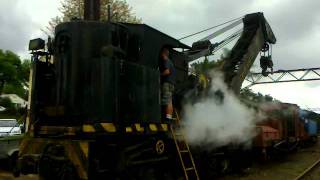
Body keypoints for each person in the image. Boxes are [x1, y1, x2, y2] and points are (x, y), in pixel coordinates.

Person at [159, 47, 176, 122]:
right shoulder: (171, 62)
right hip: (171, 84)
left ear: (163, 53)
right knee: (169, 102)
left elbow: (167, 71)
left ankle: (167, 119)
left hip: (167, 83)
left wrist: (159, 74)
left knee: (166, 101)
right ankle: (168, 118)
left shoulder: (166, 60)